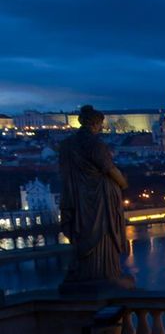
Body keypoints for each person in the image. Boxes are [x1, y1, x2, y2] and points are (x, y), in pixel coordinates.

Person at [58, 105, 133, 290]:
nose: (101, 128)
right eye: (100, 124)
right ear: (94, 123)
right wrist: (123, 183)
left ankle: (83, 272)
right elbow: (109, 169)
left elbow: (64, 172)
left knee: (82, 233)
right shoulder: (95, 145)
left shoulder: (66, 145)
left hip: (77, 197)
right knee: (102, 235)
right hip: (98, 199)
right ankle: (104, 273)